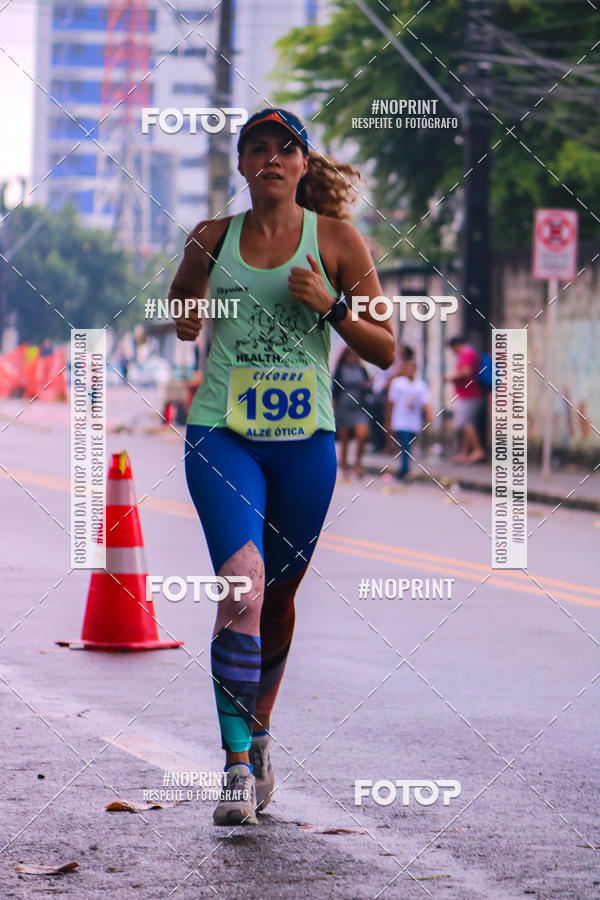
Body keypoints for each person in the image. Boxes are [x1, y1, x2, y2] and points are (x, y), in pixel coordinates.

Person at [168, 108, 395, 826]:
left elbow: (385, 348)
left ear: (303, 165)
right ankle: (235, 765)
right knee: (244, 584)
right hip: (222, 434)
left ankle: (259, 736)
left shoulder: (337, 240)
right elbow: (180, 314)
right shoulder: (211, 238)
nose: (271, 158)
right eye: (257, 148)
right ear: (241, 165)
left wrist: (332, 308)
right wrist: (186, 306)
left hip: (304, 443)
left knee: (281, 597)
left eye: (285, 148)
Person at [386, 357, 433, 479]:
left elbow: (425, 402)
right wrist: (389, 421)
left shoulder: (420, 385)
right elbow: (391, 403)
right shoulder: (397, 383)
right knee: (405, 444)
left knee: (408, 446)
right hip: (400, 420)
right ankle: (404, 469)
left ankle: (404, 467)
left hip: (413, 421)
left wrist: (429, 415)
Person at [444, 335, 486, 463]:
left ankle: (478, 450)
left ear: (455, 346)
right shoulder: (471, 352)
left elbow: (466, 371)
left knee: (466, 423)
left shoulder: (466, 353)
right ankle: (464, 453)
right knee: (466, 423)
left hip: (469, 395)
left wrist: (451, 377)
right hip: (471, 394)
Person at [331, 347, 372, 478]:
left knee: (362, 434)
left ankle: (357, 464)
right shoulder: (340, 370)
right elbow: (334, 390)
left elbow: (368, 389)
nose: (353, 358)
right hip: (343, 408)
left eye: (355, 355)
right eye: (350, 355)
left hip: (359, 408)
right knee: (345, 440)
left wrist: (367, 386)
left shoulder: (362, 370)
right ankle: (344, 466)